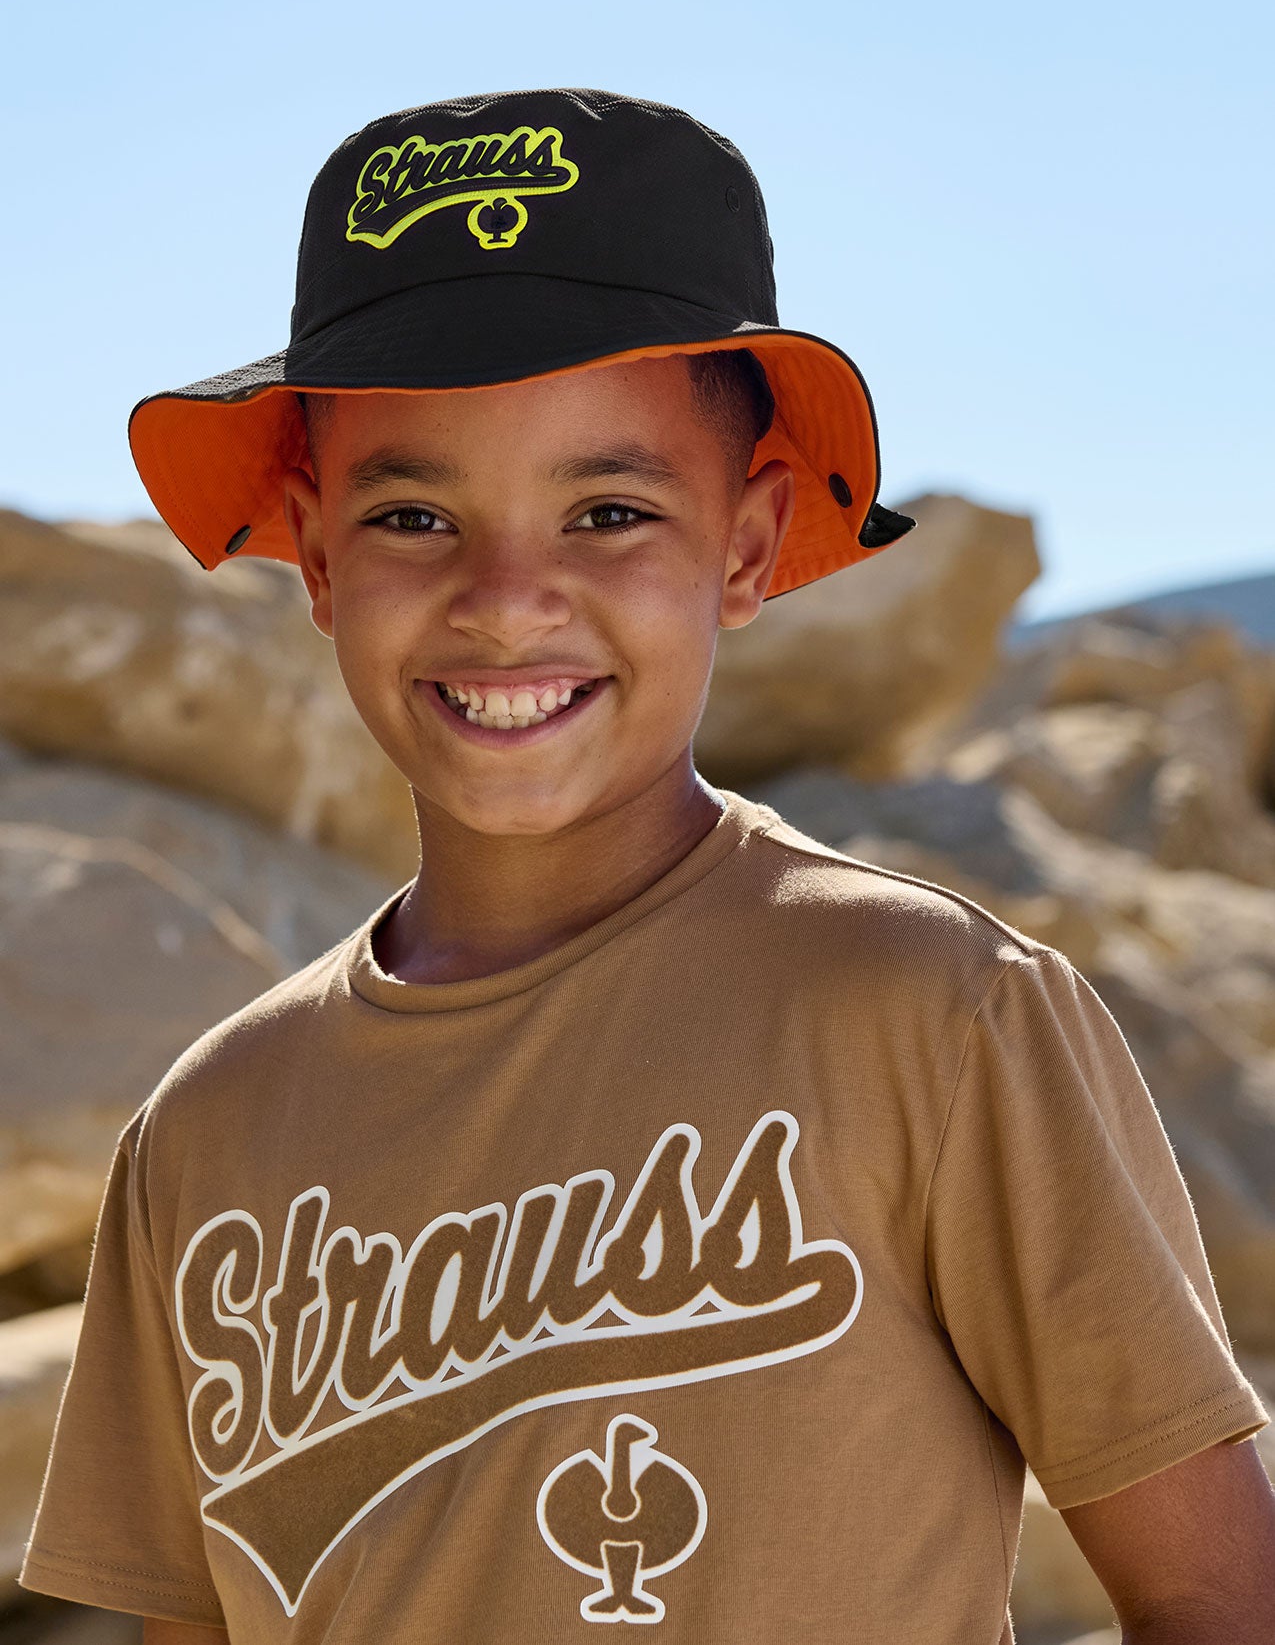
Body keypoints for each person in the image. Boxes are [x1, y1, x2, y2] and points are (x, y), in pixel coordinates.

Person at [19, 87, 1275, 1645]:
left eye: (609, 510)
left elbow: (1222, 1599)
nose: (506, 598)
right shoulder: (202, 1132)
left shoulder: (939, 1017)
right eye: (415, 513)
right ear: (320, 556)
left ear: (746, 549)